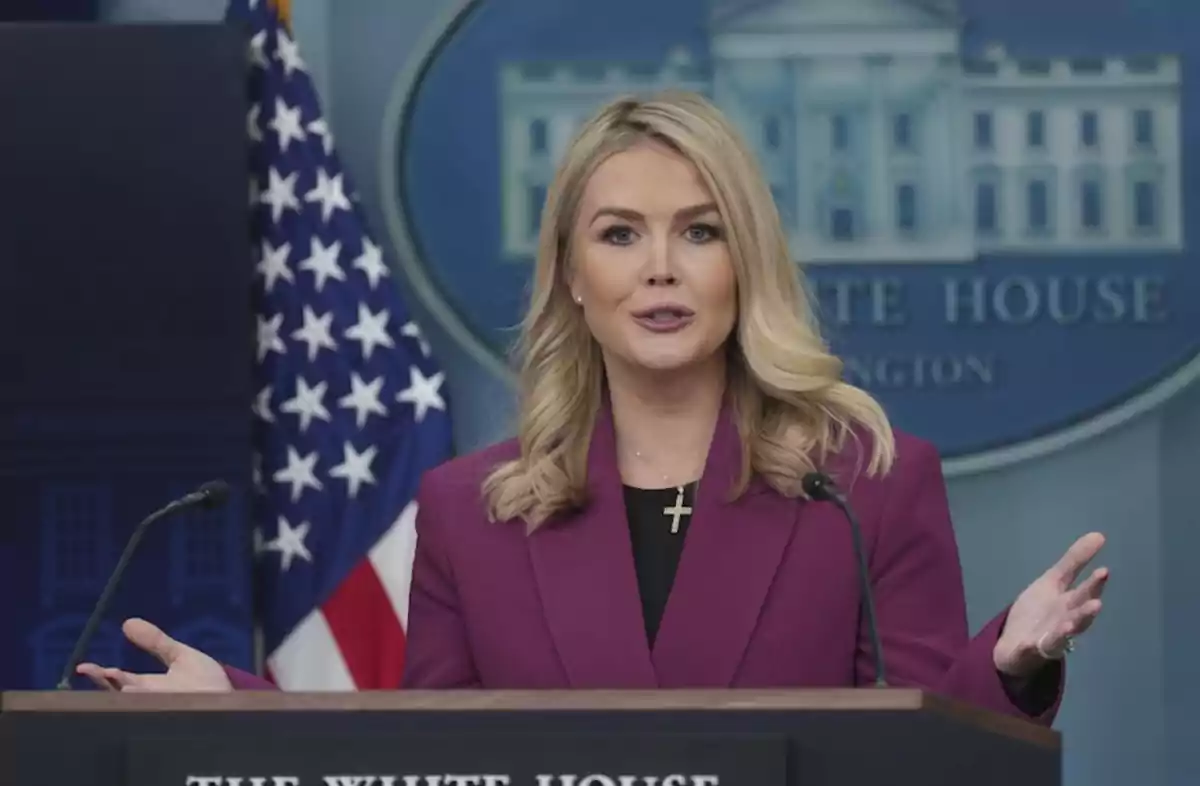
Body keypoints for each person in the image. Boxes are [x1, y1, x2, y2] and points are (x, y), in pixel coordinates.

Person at [76, 91, 1107, 721]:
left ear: (744, 262)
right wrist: (237, 707)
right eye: (620, 234)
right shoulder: (471, 508)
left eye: (700, 232)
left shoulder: (868, 482)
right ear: (570, 271)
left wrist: (1005, 666)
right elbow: (431, 764)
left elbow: (923, 755)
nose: (660, 269)